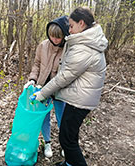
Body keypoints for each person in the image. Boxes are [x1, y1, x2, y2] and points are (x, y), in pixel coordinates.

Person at [34, 7, 108, 166]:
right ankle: (68, 163)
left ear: (82, 24)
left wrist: (42, 94)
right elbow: (38, 65)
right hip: (78, 95)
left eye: (71, 26)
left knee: (67, 139)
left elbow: (63, 77)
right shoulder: (86, 40)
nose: (70, 30)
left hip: (79, 100)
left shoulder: (84, 48)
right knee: (69, 136)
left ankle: (74, 162)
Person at [24, 16, 69, 158]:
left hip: (61, 89)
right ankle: (47, 142)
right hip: (42, 88)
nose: (54, 40)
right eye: (51, 36)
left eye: (58, 37)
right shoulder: (43, 45)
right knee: (44, 117)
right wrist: (32, 79)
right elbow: (37, 64)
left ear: (64, 35)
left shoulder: (69, 48)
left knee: (63, 118)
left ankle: (65, 144)